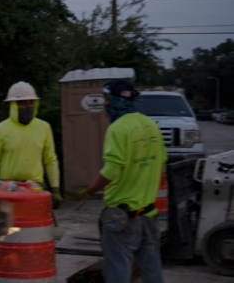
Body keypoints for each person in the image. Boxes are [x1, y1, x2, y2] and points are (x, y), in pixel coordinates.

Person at [67, 79, 166, 283]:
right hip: (149, 213)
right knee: (151, 268)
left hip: (123, 217)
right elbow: (160, 164)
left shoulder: (117, 129)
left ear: (114, 100)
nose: (103, 104)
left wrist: (88, 192)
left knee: (118, 269)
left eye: (105, 99)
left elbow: (111, 170)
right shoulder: (150, 125)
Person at [0, 82, 62, 206]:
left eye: (31, 102)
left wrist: (55, 189)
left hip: (35, 191)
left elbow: (50, 160)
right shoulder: (0, 129)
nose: (28, 106)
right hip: (8, 192)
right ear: (13, 105)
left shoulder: (44, 128)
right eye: (23, 103)